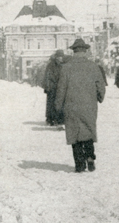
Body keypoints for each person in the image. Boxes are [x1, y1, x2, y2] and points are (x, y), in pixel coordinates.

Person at [54, 38, 107, 173]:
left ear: (73, 51)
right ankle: (90, 156)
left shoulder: (66, 68)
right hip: (89, 105)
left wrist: (58, 106)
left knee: (74, 133)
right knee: (88, 131)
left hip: (71, 105)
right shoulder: (93, 66)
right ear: (85, 51)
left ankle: (79, 164)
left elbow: (61, 89)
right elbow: (100, 85)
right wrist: (100, 97)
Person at [42, 50, 67, 125]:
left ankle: (59, 119)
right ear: (56, 57)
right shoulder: (51, 65)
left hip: (59, 87)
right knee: (51, 104)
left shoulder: (63, 64)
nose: (61, 58)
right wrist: (47, 86)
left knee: (60, 103)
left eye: (62, 56)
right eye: (59, 56)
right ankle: (50, 119)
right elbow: (48, 76)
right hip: (52, 87)